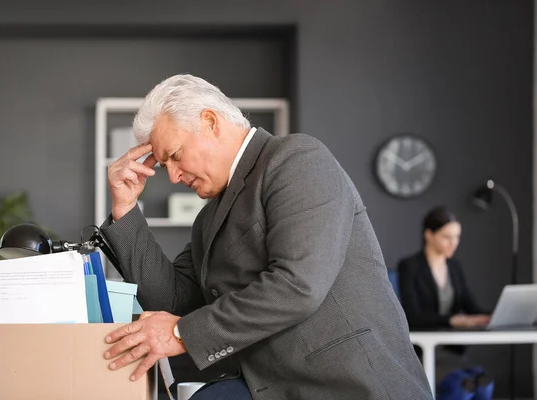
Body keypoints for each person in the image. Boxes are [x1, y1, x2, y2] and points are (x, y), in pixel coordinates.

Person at [99, 74, 432, 399]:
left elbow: (297, 286)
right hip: (273, 385)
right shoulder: (208, 218)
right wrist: (125, 209)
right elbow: (171, 303)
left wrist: (178, 333)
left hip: (348, 384)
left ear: (211, 122)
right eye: (162, 165)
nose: (171, 176)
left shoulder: (297, 159)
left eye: (174, 155)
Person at [397, 206, 493, 392]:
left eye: (457, 237)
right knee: (459, 387)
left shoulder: (454, 267)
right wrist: (452, 320)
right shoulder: (409, 267)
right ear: (429, 235)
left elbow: (471, 305)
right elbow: (412, 315)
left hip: (451, 350)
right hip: (423, 350)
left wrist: (494, 315)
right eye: (447, 237)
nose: (453, 243)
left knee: (484, 385)